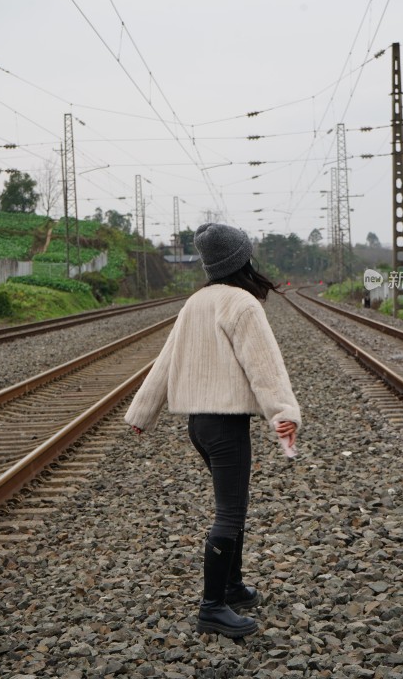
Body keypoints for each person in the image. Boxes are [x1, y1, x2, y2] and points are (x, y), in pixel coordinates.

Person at [124, 222, 302, 638]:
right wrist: (284, 416)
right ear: (242, 259)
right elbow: (266, 370)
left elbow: (166, 360)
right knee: (230, 511)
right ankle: (212, 607)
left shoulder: (196, 302)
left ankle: (233, 587)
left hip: (198, 426)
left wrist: (142, 413)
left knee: (232, 503)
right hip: (225, 426)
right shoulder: (241, 304)